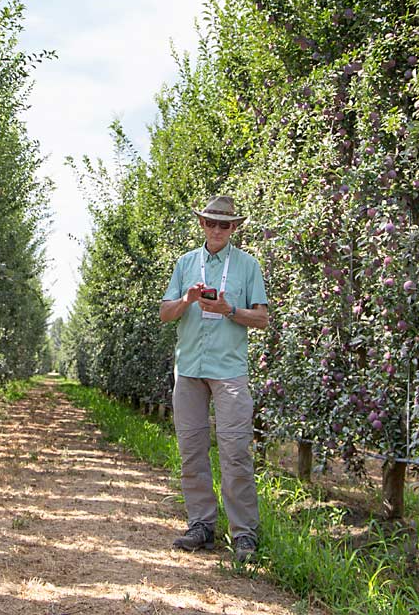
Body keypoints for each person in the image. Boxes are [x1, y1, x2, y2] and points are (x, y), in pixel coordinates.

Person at [159, 195, 269, 563]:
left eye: (225, 224)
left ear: (234, 227)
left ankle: (244, 535)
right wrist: (187, 301)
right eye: (211, 223)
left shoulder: (248, 266)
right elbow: (164, 313)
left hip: (229, 371)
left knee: (235, 452)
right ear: (202, 224)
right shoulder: (185, 264)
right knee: (191, 451)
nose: (217, 229)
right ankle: (202, 525)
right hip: (189, 369)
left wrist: (229, 310)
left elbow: (262, 318)